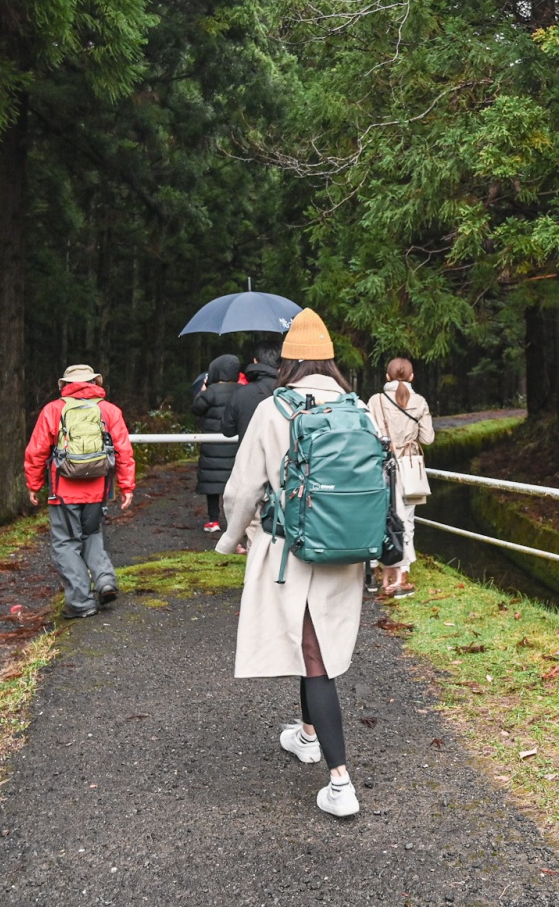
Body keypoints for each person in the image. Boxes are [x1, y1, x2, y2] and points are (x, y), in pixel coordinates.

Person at [215, 309, 374, 818]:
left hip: (294, 549)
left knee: (313, 657)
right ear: (330, 360)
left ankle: (341, 783)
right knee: (318, 641)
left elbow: (243, 489)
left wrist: (232, 538)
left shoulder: (274, 409)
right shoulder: (357, 408)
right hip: (348, 549)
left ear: (287, 362)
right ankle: (306, 734)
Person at [23, 364, 135, 619]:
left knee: (65, 544)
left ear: (64, 385)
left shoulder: (53, 410)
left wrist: (34, 484)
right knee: (92, 533)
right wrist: (127, 486)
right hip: (98, 490)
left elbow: (36, 451)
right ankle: (105, 580)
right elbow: (124, 452)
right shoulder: (109, 411)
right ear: (95, 383)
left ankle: (81, 603)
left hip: (63, 491)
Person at [367, 358, 434, 599]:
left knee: (377, 516)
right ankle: (402, 573)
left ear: (387, 377)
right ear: (412, 377)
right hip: (408, 467)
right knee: (406, 520)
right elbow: (428, 438)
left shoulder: (375, 401)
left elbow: (368, 433)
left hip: (379, 466)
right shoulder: (419, 402)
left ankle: (374, 569)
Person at [190, 354, 242, 533]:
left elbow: (196, 409)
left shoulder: (211, 392)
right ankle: (236, 521)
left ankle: (213, 520)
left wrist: (203, 391)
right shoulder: (242, 390)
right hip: (236, 443)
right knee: (236, 484)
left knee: (213, 484)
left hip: (212, 444)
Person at [220, 342, 281, 440]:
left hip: (249, 454)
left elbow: (227, 430)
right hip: (282, 454)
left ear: (255, 361)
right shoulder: (289, 392)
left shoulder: (240, 394)